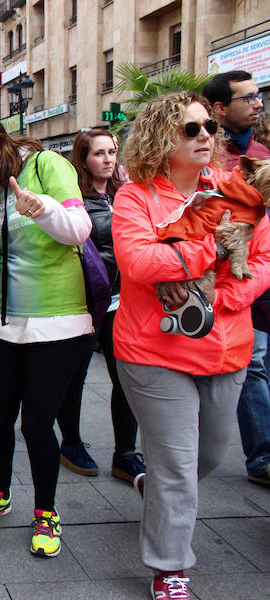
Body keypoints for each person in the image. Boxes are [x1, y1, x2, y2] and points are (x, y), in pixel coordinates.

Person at [112, 91, 270, 599]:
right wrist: (214, 245)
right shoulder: (135, 197)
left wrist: (222, 296)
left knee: (203, 459)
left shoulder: (235, 191)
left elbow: (262, 260)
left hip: (227, 348)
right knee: (179, 467)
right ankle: (170, 567)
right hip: (153, 351)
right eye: (191, 129)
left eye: (208, 128)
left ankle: (151, 486)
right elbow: (138, 263)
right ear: (162, 137)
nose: (205, 136)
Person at [0, 110, 93, 559]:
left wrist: (44, 208)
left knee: (36, 423)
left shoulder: (46, 166)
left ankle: (46, 512)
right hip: (3, 325)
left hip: (59, 324)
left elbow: (79, 229)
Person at [58, 129, 146, 484]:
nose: (108, 159)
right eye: (99, 153)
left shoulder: (125, 196)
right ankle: (71, 443)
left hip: (124, 302)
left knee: (124, 378)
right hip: (86, 303)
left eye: (112, 152)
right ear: (83, 158)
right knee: (74, 377)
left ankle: (125, 453)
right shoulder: (75, 199)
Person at [203, 71, 270, 486]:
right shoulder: (207, 154)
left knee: (256, 363)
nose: (258, 103)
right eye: (248, 98)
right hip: (214, 286)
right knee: (254, 364)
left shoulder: (262, 152)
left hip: (253, 278)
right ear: (221, 109)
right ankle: (262, 455)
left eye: (258, 95)